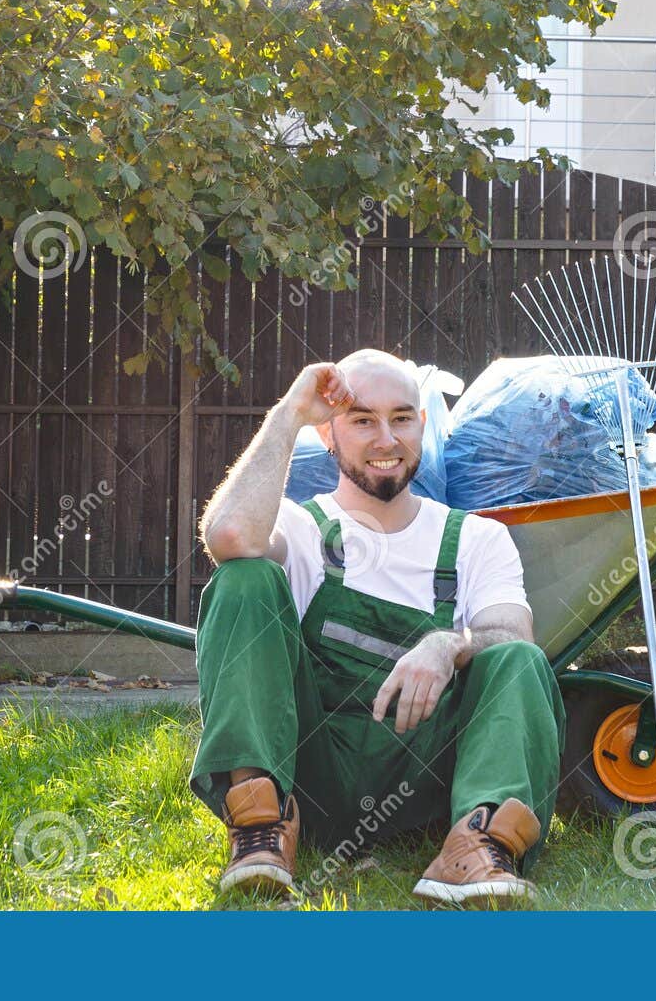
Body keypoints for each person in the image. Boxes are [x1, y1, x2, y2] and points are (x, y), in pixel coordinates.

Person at [190, 349, 565, 905]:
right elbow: (228, 540)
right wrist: (290, 413)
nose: (386, 439)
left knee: (518, 659)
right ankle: (260, 825)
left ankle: (477, 844)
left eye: (403, 418)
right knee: (244, 579)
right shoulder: (298, 527)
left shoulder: (476, 539)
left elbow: (513, 637)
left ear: (423, 424)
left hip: (429, 778)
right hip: (312, 771)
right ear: (329, 435)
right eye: (363, 420)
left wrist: (448, 644)